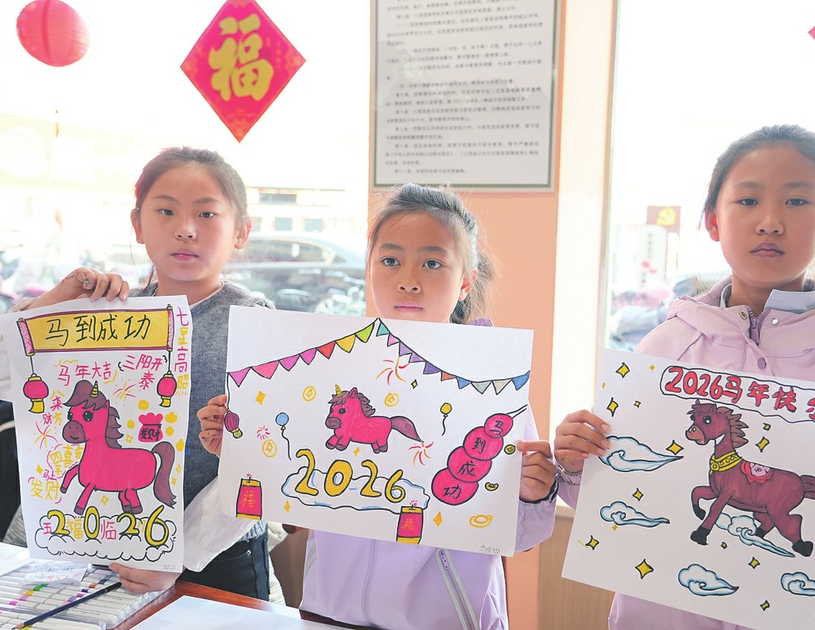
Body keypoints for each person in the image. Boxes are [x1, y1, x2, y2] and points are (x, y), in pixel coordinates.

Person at [554, 124, 815, 630]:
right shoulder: (664, 349)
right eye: (747, 201)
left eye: (796, 201)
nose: (770, 222)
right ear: (712, 221)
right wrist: (575, 463)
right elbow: (619, 500)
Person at [199, 183, 557, 629]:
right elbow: (291, 501)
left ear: (466, 280)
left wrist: (532, 493)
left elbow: (518, 535)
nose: (408, 279)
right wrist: (240, 448)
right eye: (390, 261)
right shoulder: (332, 368)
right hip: (331, 612)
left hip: (444, 619)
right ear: (369, 269)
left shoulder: (493, 387)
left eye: (432, 262)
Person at [0, 147, 274, 599]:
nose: (185, 228)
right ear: (138, 225)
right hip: (99, 549)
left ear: (241, 231)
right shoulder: (104, 313)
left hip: (215, 561)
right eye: (166, 211)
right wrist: (53, 305)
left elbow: (262, 460)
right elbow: (1, 374)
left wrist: (179, 553)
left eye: (206, 213)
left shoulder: (256, 322)